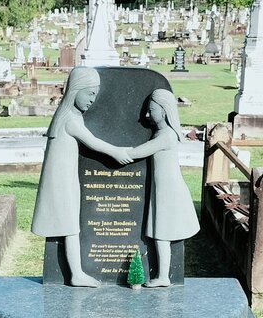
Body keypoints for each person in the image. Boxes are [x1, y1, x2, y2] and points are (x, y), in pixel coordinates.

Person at [31, 67, 132, 287]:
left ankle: (76, 273)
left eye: (95, 94)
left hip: (65, 178)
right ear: (76, 90)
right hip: (61, 180)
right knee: (70, 226)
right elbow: (92, 141)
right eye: (90, 93)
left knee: (70, 225)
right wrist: (117, 152)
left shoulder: (69, 115)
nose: (92, 100)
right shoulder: (69, 118)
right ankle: (76, 274)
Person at [123, 89, 199, 286]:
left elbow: (140, 152)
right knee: (160, 232)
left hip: (169, 191)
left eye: (151, 110)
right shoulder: (161, 132)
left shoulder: (166, 136)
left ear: (164, 111)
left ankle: (163, 276)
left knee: (162, 232)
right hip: (162, 189)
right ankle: (162, 276)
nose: (147, 115)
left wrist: (119, 152)